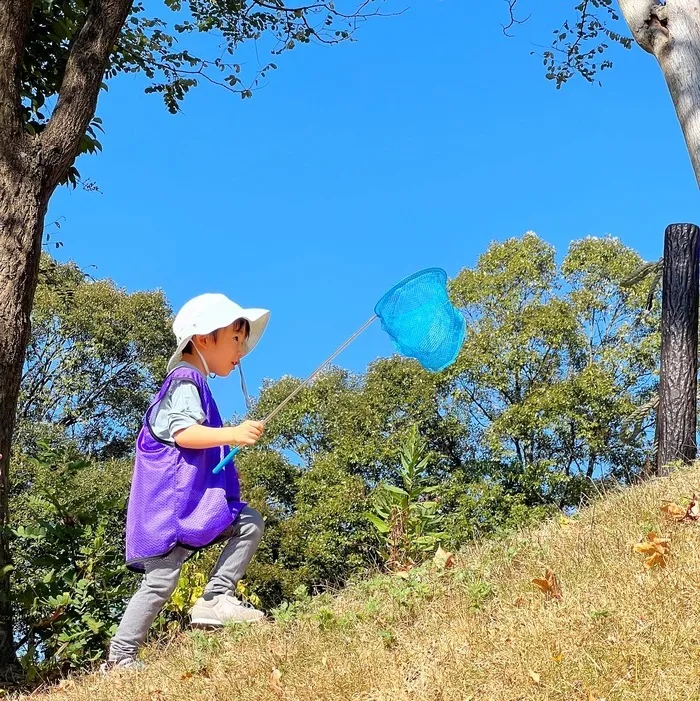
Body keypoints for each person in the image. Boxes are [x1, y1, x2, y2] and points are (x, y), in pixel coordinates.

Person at [103, 293, 270, 671]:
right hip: (170, 511)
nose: (240, 351)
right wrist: (233, 433)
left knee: (248, 523)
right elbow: (184, 434)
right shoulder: (184, 380)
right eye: (234, 339)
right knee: (160, 582)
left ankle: (216, 597)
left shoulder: (196, 385)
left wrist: (230, 435)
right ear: (204, 338)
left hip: (190, 506)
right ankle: (120, 658)